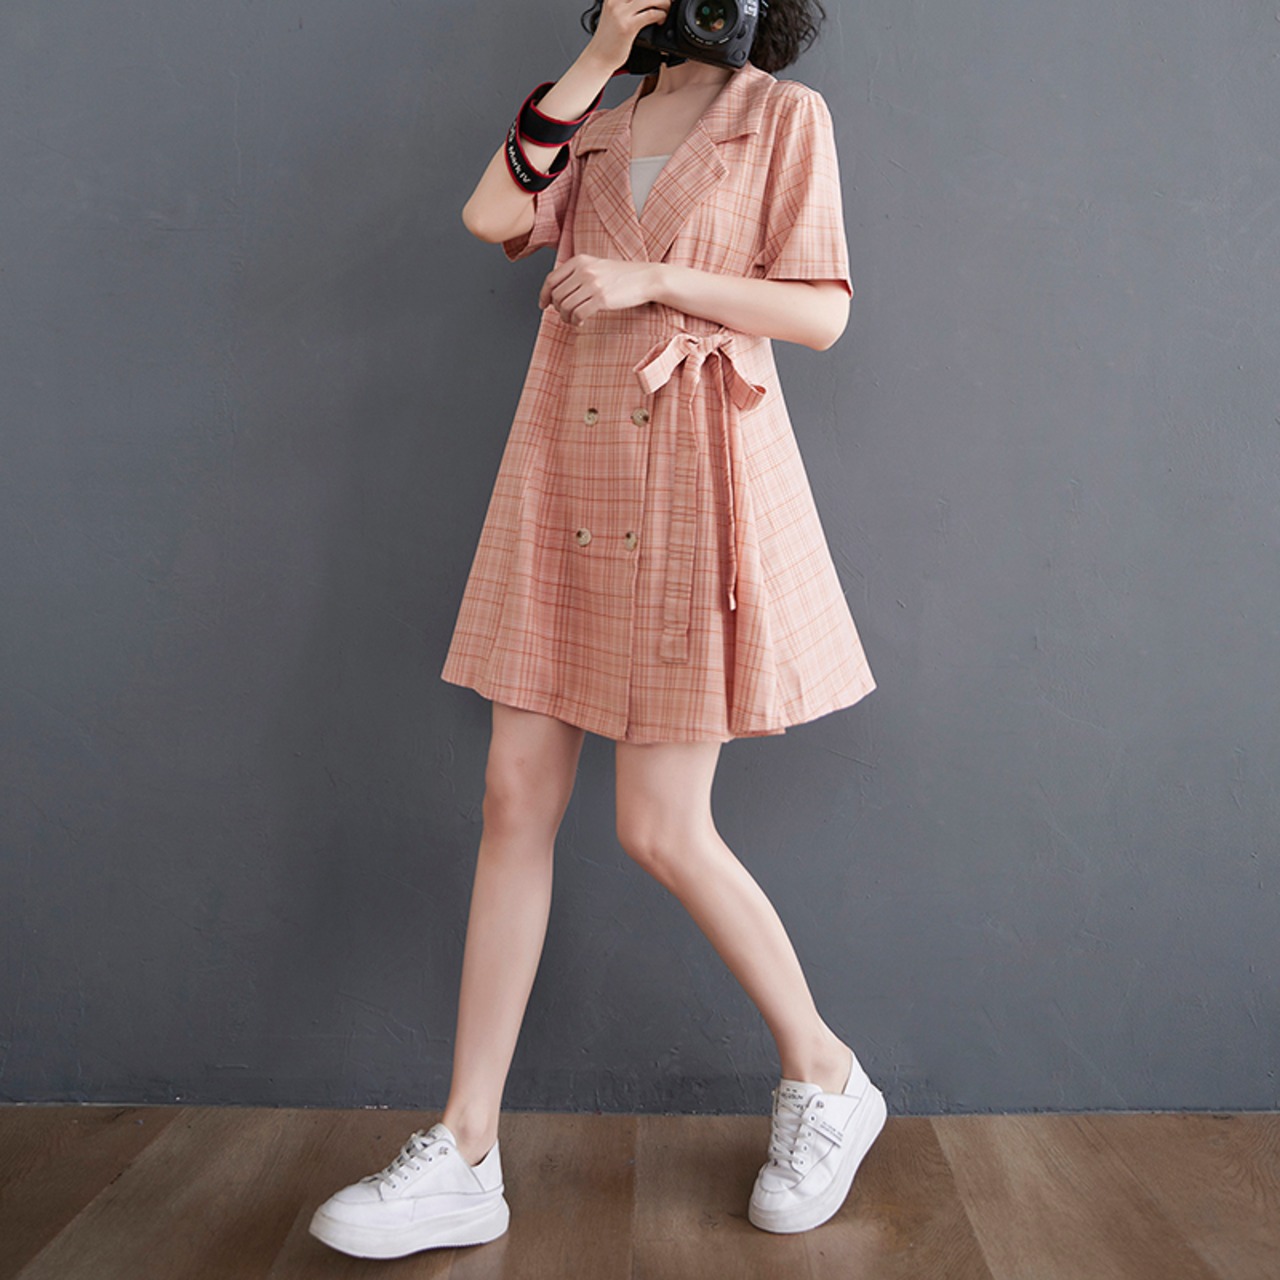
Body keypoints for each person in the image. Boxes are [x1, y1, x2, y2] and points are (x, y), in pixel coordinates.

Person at [309, 0, 885, 1259]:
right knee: (512, 796)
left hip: (692, 471)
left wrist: (655, 277)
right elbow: (489, 214)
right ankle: (466, 1145)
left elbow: (820, 311)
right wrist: (593, 61)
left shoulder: (780, 116)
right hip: (563, 469)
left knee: (657, 826)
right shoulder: (603, 119)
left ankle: (826, 1073)